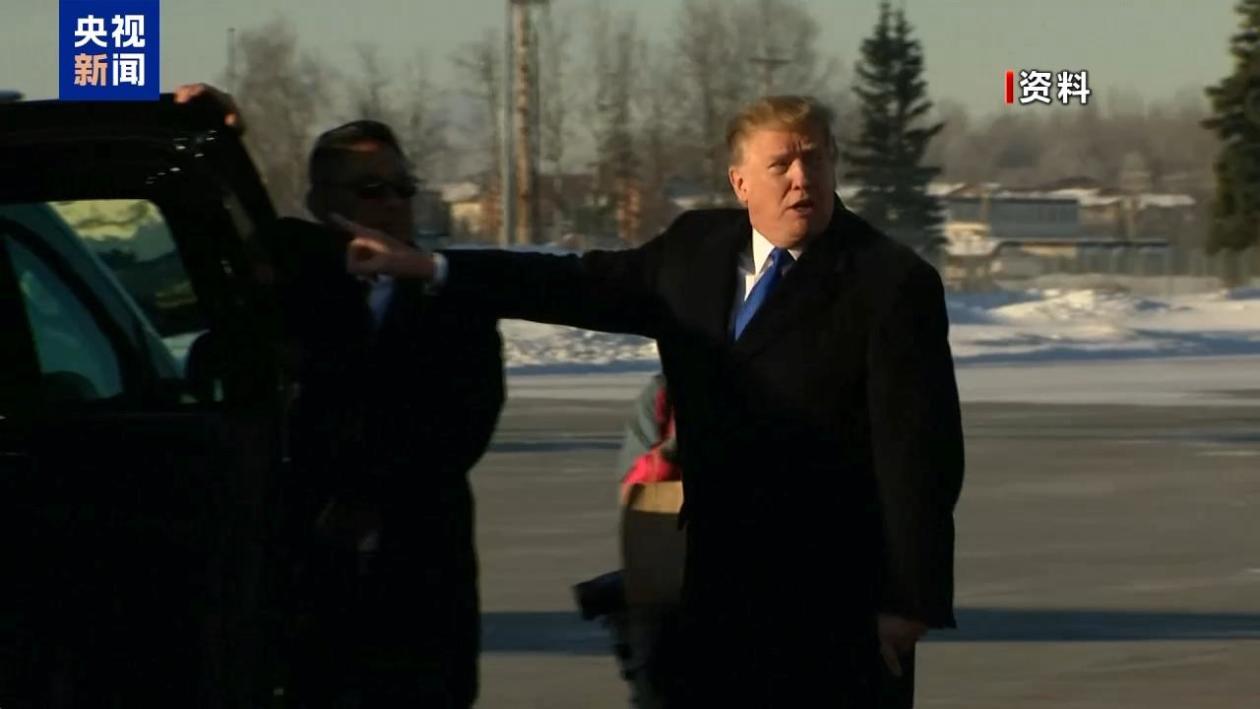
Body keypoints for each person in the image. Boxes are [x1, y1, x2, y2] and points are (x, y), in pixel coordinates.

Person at [347, 94, 964, 707]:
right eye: (781, 164)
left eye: (816, 159)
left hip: (835, 601)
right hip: (714, 590)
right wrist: (433, 267)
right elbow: (576, 283)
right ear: (741, 182)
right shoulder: (698, 249)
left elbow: (919, 457)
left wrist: (908, 602)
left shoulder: (889, 282)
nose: (802, 178)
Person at [174, 85, 506, 708]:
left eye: (403, 187)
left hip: (418, 577)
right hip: (302, 581)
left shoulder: (453, 301)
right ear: (321, 202)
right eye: (371, 189)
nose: (393, 204)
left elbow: (462, 428)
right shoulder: (286, 281)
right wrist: (218, 128)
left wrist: (367, 498)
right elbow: (229, 230)